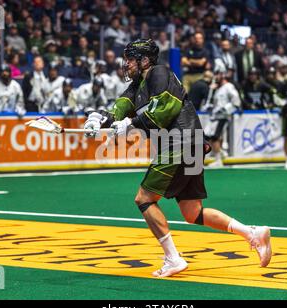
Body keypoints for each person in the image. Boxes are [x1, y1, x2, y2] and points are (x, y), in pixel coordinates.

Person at [82, 39, 272, 277]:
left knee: (144, 199)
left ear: (144, 60)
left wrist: (130, 124)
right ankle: (252, 233)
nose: (126, 63)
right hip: (190, 144)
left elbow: (165, 110)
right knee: (193, 212)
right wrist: (100, 119)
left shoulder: (159, 73)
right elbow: (121, 106)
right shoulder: (140, 84)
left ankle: (173, 258)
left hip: (179, 142)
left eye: (131, 59)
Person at [206, 70, 241, 167]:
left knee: (214, 137)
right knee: (208, 136)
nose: (216, 77)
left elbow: (236, 100)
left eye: (218, 74)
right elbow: (213, 102)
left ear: (223, 75)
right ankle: (221, 153)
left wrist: (225, 109)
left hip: (222, 116)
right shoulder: (217, 88)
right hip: (215, 116)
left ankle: (218, 160)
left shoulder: (228, 86)